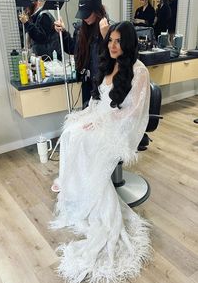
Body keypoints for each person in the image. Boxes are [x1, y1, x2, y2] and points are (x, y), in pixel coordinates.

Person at [50, 21, 152, 283]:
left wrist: (102, 122)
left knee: (85, 139)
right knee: (71, 132)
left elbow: (134, 110)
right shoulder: (109, 63)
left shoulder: (139, 71)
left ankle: (90, 197)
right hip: (103, 117)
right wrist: (89, 116)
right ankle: (74, 189)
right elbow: (98, 101)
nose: (112, 45)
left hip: (122, 126)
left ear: (128, 43)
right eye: (110, 40)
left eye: (118, 41)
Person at [54, 0, 110, 105]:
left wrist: (106, 37)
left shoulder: (109, 29)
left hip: (103, 85)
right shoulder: (81, 30)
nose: (84, 18)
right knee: (86, 117)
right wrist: (63, 33)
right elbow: (73, 50)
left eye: (87, 14)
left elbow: (115, 59)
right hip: (87, 83)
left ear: (97, 10)